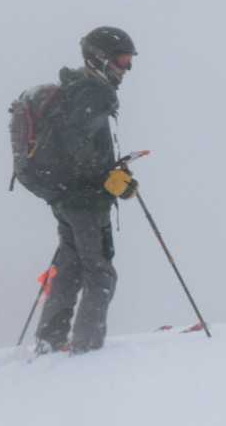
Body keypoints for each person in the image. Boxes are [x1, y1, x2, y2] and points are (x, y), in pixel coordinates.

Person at [34, 26, 140, 356]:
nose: (127, 68)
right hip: (85, 200)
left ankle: (50, 340)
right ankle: (87, 349)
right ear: (101, 58)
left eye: (129, 61)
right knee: (100, 273)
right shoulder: (95, 92)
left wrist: (110, 171)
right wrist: (110, 178)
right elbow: (77, 145)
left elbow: (77, 143)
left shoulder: (76, 88)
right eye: (123, 60)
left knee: (70, 267)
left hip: (65, 195)